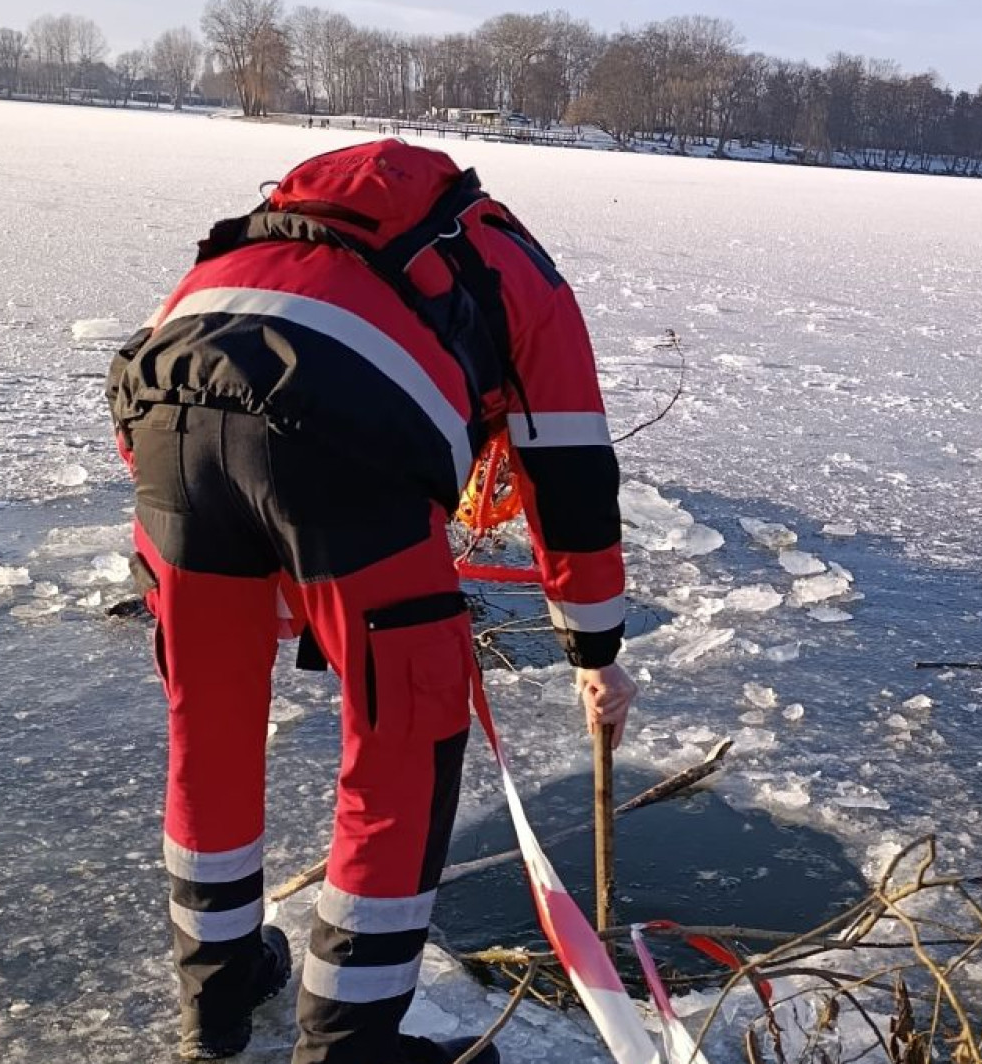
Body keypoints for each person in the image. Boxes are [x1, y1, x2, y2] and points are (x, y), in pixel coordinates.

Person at [107, 140, 636, 1063]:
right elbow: (571, 468)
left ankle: (217, 986)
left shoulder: (257, 236)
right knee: (406, 731)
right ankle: (350, 1043)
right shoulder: (511, 262)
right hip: (350, 445)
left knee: (211, 720)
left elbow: (162, 387)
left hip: (166, 436)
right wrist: (594, 648)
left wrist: (252, 567)